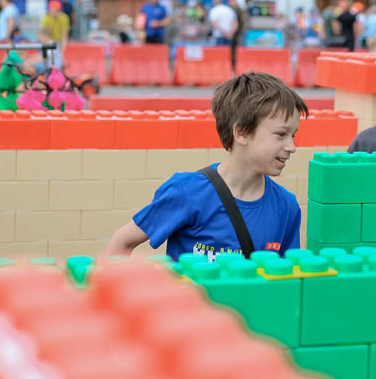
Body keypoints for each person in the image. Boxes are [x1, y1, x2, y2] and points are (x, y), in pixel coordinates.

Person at [104, 72, 308, 261]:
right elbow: (122, 241)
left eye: (294, 135)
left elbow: (286, 278)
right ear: (242, 133)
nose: (292, 147)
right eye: (281, 134)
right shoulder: (187, 192)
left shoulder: (286, 206)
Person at [40, 0, 70, 68]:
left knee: (58, 62)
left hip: (58, 43)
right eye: (52, 10)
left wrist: (62, 52)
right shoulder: (46, 18)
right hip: (48, 41)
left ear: (60, 10)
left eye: (56, 11)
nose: (54, 13)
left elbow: (64, 36)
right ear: (49, 10)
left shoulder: (64, 18)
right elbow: (45, 34)